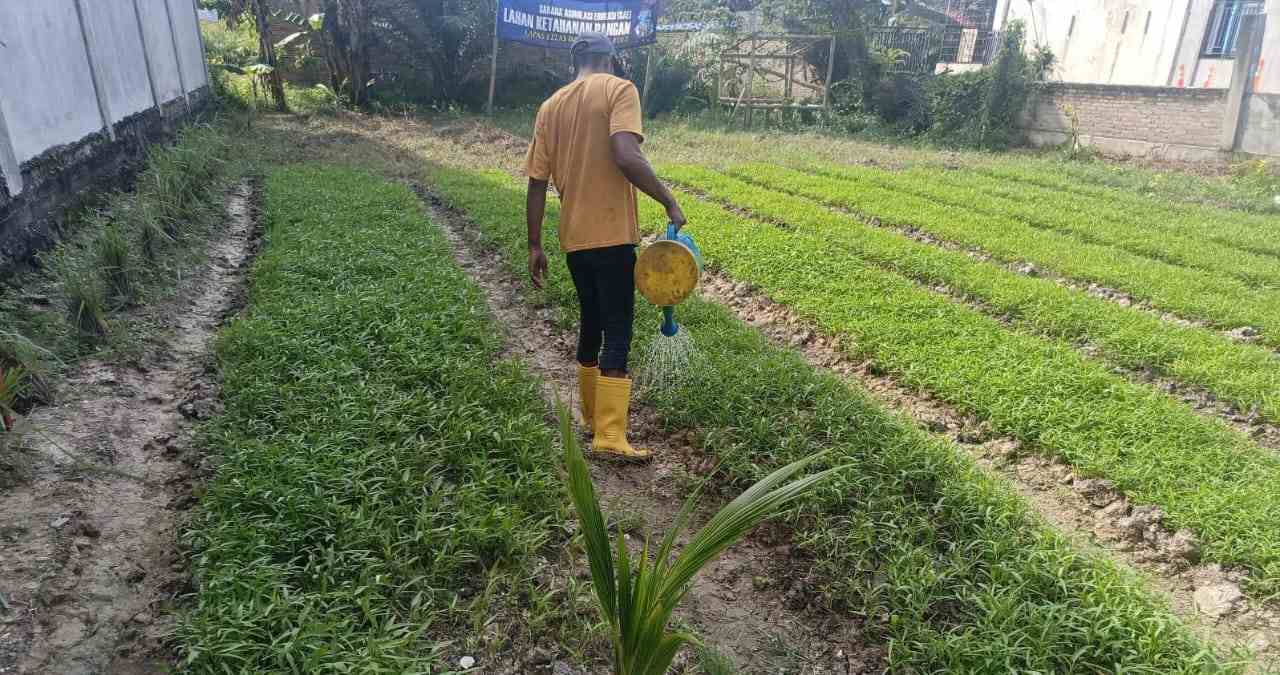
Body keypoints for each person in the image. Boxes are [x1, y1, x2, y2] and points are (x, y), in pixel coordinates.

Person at [524, 31, 686, 461]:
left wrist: (534, 244)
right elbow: (625, 154)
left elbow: (536, 183)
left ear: (574, 62)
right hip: (612, 235)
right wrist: (668, 200)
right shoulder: (619, 89)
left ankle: (593, 417)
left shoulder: (550, 106)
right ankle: (611, 436)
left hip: (573, 238)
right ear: (610, 59)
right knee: (618, 327)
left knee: (592, 320)